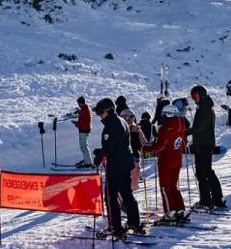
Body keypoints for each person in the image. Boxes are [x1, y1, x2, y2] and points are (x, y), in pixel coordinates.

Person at [92, 98, 142, 238]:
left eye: (101, 112)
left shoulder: (111, 126)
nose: (100, 115)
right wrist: (100, 151)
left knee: (110, 196)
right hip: (125, 162)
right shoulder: (121, 121)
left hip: (116, 165)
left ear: (109, 111)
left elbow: (109, 148)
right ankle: (134, 222)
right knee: (126, 193)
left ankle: (115, 227)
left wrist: (99, 156)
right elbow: (117, 144)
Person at [142, 103, 188, 223]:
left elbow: (159, 146)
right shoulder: (182, 124)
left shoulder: (165, 127)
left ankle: (170, 212)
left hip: (166, 160)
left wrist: (146, 148)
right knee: (173, 186)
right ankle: (180, 209)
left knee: (165, 187)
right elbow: (183, 143)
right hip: (177, 159)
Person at [187, 85, 226, 210]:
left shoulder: (204, 109)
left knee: (202, 172)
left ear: (201, 95)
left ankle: (207, 201)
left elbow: (199, 127)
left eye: (195, 96)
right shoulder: (205, 107)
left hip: (204, 144)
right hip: (204, 143)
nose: (194, 99)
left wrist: (185, 132)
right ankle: (216, 199)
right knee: (206, 171)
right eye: (193, 97)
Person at [72, 96, 93, 168]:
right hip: (84, 129)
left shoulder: (84, 110)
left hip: (84, 130)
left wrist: (76, 124)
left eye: (78, 103)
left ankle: (88, 163)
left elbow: (83, 121)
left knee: (84, 146)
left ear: (81, 103)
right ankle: (87, 160)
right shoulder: (84, 109)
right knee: (84, 146)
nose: (78, 105)